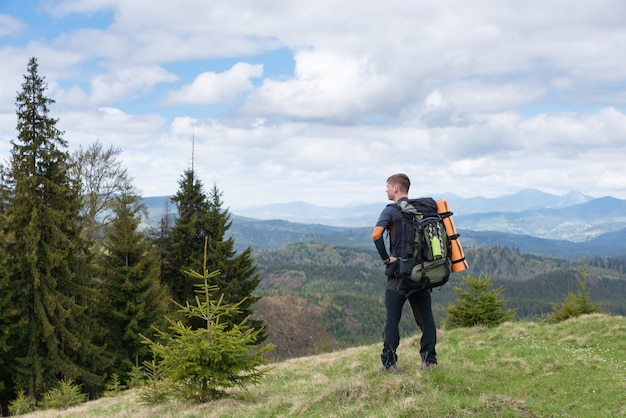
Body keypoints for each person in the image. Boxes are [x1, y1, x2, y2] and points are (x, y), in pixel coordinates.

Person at [372, 173, 437, 372]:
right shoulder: (420, 209)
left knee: (392, 320)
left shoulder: (391, 210)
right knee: (426, 319)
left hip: (399, 275)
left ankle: (390, 363)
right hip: (421, 273)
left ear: (396, 189)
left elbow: (376, 235)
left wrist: (386, 259)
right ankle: (429, 361)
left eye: (388, 187)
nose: (386, 190)